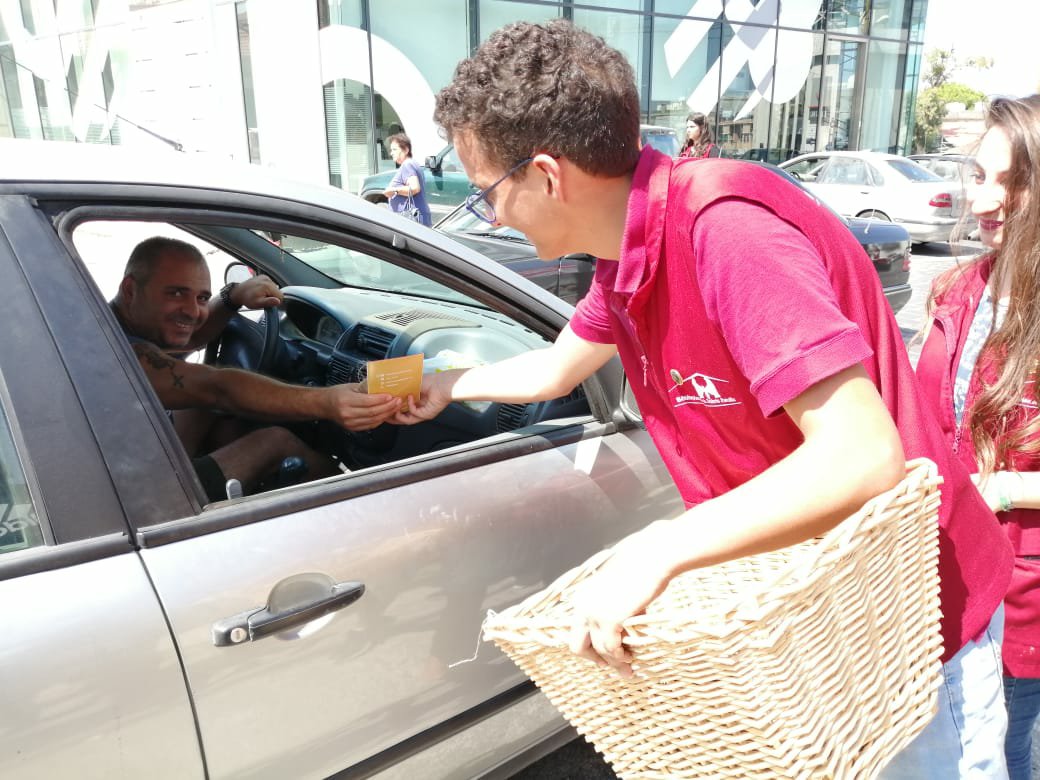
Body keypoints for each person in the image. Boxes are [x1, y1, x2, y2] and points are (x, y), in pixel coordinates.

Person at [395, 20, 1013, 777]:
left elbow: (862, 456)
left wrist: (658, 550)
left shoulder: (725, 231)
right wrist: (444, 387)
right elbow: (556, 369)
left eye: (488, 190)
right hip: (822, 619)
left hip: (916, 626)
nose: (491, 217)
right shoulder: (625, 252)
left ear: (549, 176)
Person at [915, 94, 1040, 780]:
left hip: (1022, 597)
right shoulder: (959, 287)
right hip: (947, 579)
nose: (985, 200)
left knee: (1005, 753)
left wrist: (1003, 487)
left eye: (1013, 182)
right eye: (979, 175)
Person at [111, 236, 402, 500]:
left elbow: (190, 337)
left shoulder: (108, 326)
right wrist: (328, 401)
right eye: (175, 293)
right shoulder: (117, 354)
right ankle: (368, 506)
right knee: (274, 442)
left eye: (201, 298)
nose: (192, 311)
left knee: (213, 414)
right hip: (132, 500)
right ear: (130, 289)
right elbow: (217, 388)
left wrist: (232, 297)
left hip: (120, 463)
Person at [383, 132, 432, 226]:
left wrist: (393, 191)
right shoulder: (413, 164)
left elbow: (414, 188)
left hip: (411, 219)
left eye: (394, 149)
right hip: (415, 217)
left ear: (406, 150)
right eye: (391, 150)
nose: (391, 153)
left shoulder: (407, 164)